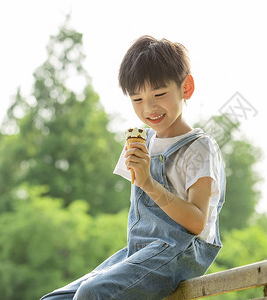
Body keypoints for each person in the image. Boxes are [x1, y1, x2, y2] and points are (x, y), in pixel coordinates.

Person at [41, 35, 226, 299]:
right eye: (137, 99)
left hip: (183, 251)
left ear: (186, 87)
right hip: (139, 250)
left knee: (93, 293)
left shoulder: (198, 147)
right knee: (54, 299)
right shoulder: (141, 142)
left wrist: (149, 183)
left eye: (159, 94)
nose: (149, 107)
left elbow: (197, 222)